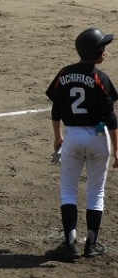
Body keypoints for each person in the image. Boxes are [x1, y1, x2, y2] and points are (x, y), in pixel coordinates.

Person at [44, 27, 118, 260]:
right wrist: (117, 150)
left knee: (68, 191)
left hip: (73, 138)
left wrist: (57, 136)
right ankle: (91, 245)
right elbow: (111, 118)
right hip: (98, 138)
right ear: (94, 52)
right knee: (96, 192)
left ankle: (70, 244)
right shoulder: (101, 78)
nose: (105, 51)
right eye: (102, 47)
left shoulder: (64, 74)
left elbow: (56, 109)